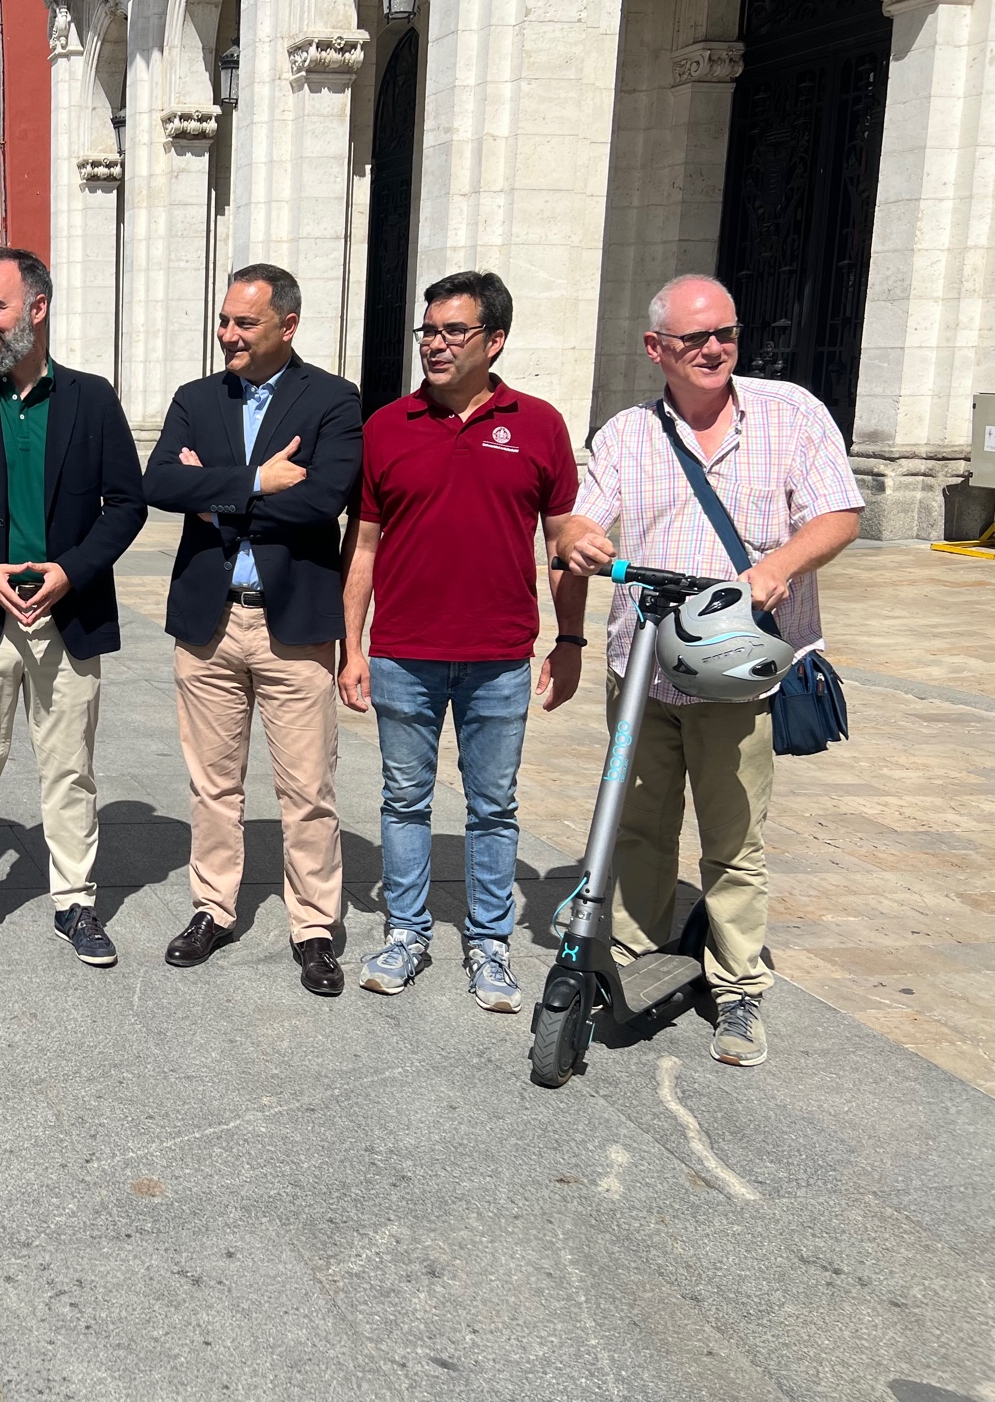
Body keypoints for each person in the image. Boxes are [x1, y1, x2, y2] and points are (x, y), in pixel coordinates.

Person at [557, 273, 862, 1068]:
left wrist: (779, 567)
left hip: (739, 673)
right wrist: (579, 537)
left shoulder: (791, 414)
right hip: (644, 668)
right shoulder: (626, 434)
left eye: (725, 333)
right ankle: (635, 960)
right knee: (640, 828)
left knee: (733, 841)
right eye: (695, 338)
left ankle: (738, 989)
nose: (715, 348)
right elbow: (584, 515)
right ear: (656, 348)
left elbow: (839, 514)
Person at [338, 270, 586, 1011]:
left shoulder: (539, 425)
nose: (435, 344)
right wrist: (352, 645)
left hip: (500, 657)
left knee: (494, 806)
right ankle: (406, 933)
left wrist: (571, 639)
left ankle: (489, 943)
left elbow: (563, 545)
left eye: (454, 331)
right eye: (428, 331)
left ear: (495, 339)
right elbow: (363, 546)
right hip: (403, 653)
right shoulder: (387, 426)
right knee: (403, 800)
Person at [0, 249, 147, 965]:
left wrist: (71, 572)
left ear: (36, 309)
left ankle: (75, 901)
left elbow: (126, 504)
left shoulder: (91, 399)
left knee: (69, 767)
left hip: (67, 617)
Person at [141, 265, 364, 995]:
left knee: (308, 790)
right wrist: (254, 482)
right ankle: (212, 908)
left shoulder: (332, 399)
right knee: (213, 786)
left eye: (245, 322)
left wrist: (211, 493)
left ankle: (314, 927)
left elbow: (322, 502)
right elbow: (158, 483)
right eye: (224, 320)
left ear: (287, 326)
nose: (227, 334)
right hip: (208, 624)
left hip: (292, 627)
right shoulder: (196, 398)